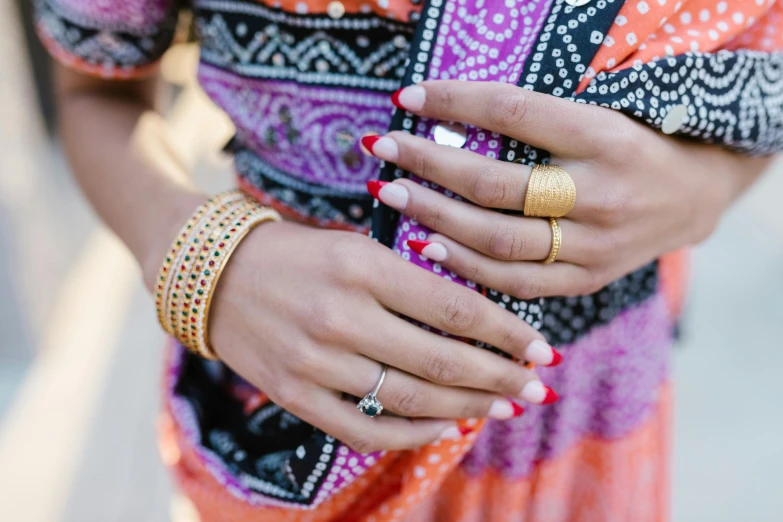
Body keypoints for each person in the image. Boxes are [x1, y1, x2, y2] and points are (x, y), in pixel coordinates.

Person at [34, 0, 782, 520]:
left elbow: (760, 78)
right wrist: (206, 261)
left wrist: (707, 187)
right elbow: (94, 91)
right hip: (299, 406)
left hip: (593, 425)